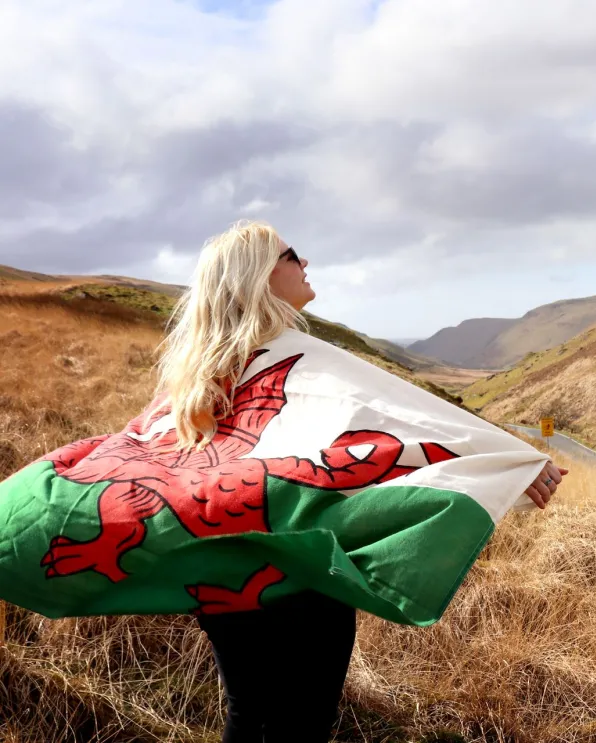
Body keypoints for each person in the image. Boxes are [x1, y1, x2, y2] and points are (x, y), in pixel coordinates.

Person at [151, 221, 567, 742]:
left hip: (220, 568)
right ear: (259, 275)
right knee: (300, 723)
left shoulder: (197, 374)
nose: (306, 264)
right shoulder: (301, 358)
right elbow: (407, 420)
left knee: (247, 707)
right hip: (298, 572)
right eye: (292, 255)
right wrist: (512, 460)